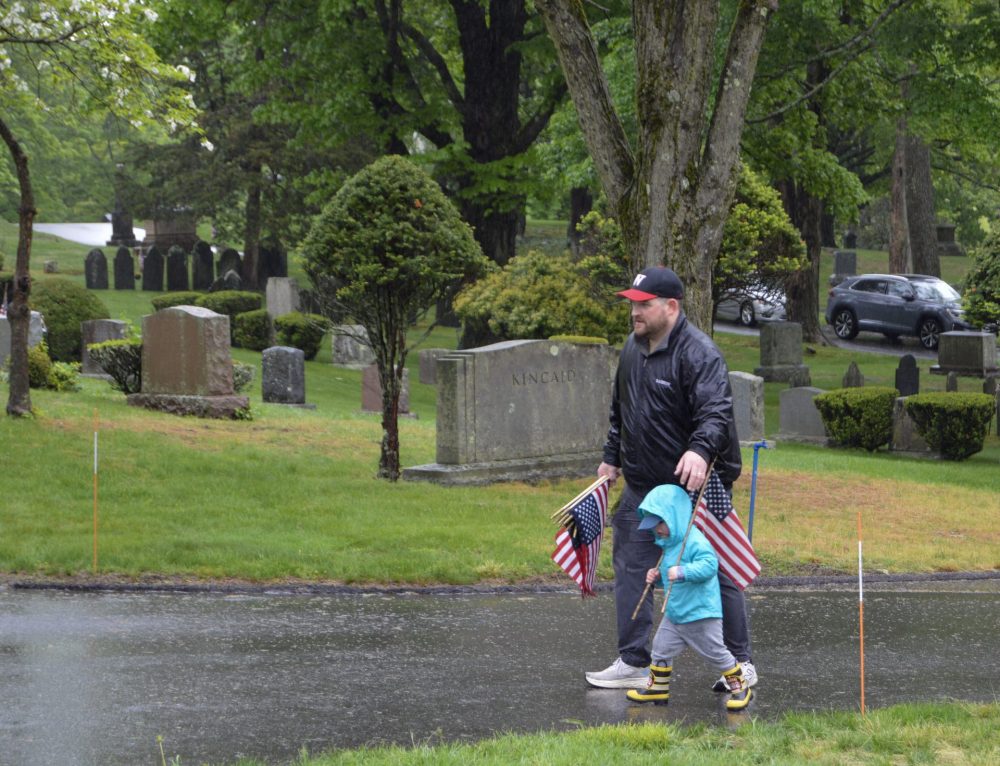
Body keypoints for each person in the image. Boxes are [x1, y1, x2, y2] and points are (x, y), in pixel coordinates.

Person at [585, 266, 756, 693]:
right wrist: (611, 458)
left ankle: (740, 663)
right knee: (629, 565)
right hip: (645, 488)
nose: (634, 313)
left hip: (691, 487)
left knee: (714, 570)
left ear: (671, 307)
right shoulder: (632, 347)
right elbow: (619, 411)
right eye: (632, 304)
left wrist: (699, 450)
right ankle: (633, 661)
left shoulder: (699, 353)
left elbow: (716, 414)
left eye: (643, 305)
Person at [623, 483, 751, 710]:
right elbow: (671, 578)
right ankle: (658, 688)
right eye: (653, 526)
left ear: (673, 517)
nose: (657, 531)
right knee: (661, 648)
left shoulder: (694, 541)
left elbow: (709, 566)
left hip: (700, 612)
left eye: (660, 524)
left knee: (716, 653)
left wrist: (683, 572)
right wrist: (658, 578)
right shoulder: (669, 545)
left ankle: (740, 688)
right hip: (675, 613)